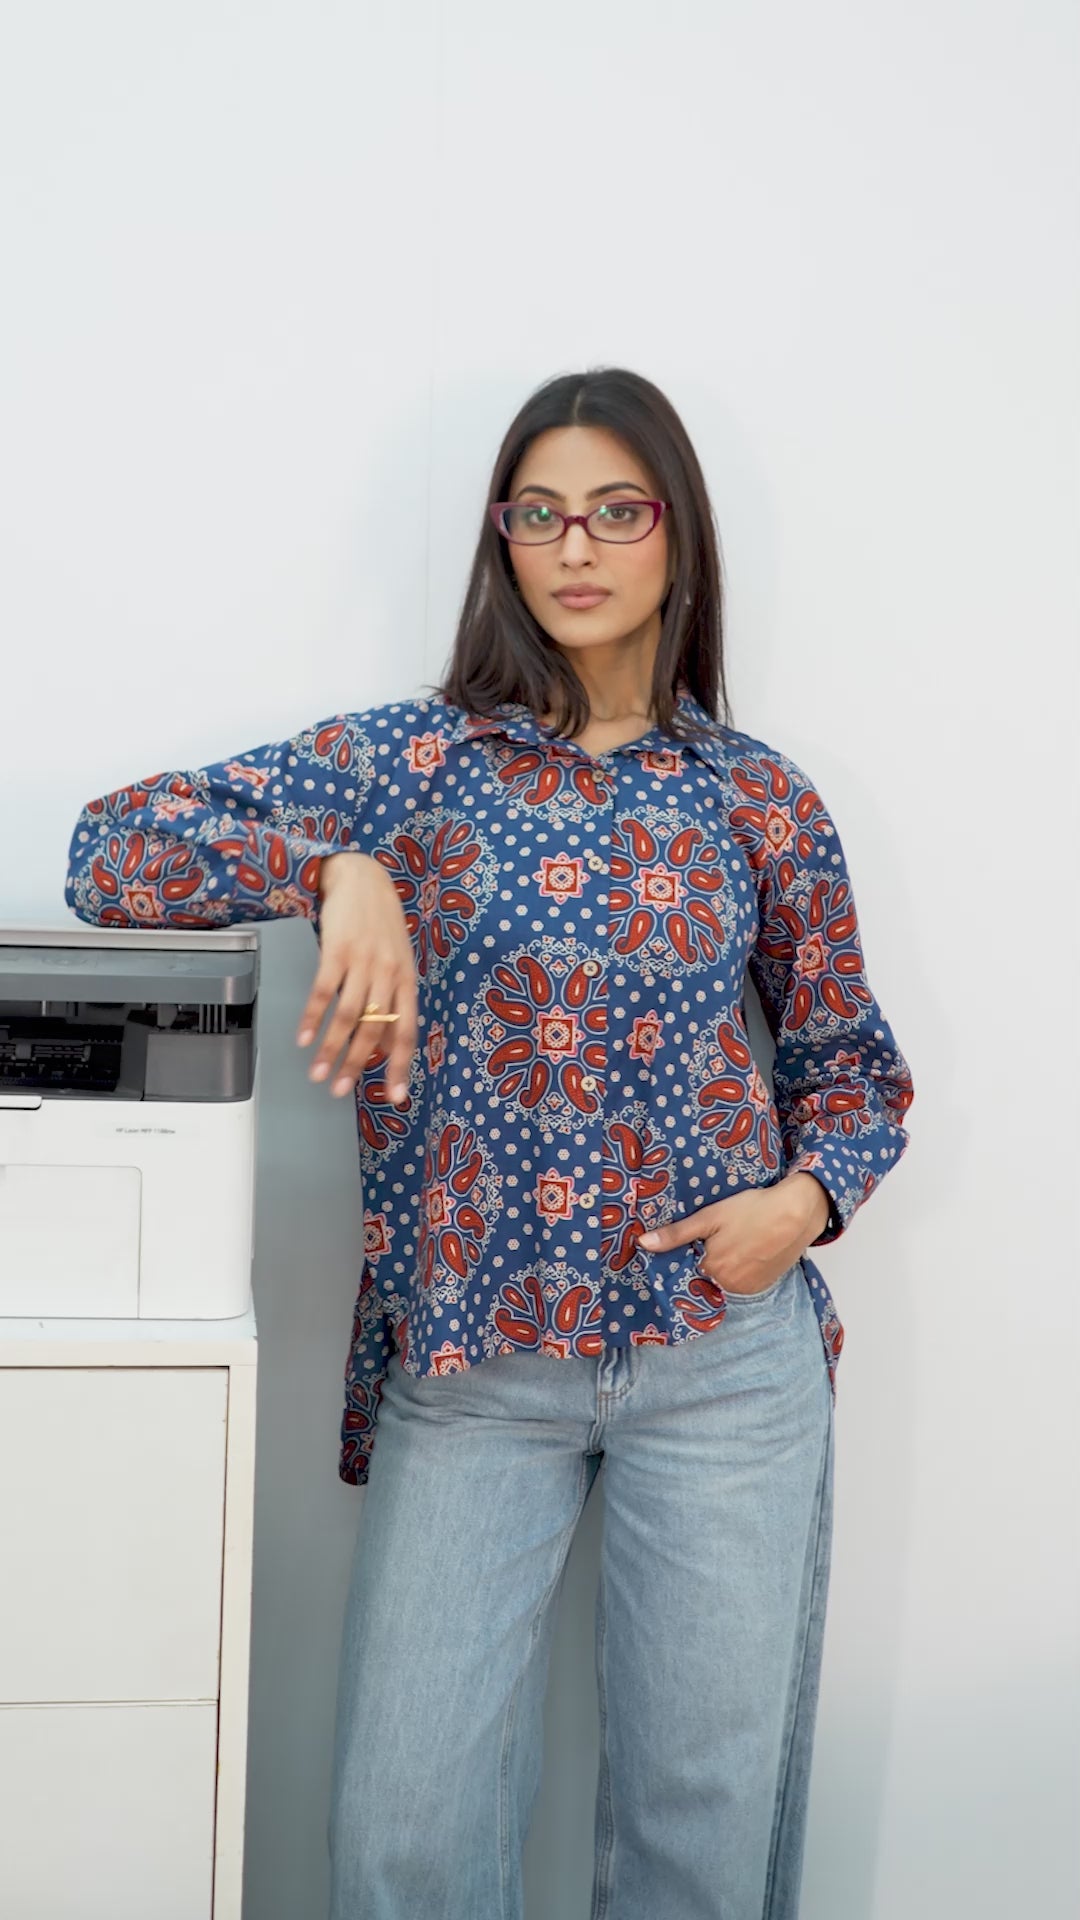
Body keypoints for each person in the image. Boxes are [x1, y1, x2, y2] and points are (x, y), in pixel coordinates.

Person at [65, 365, 914, 1920]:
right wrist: (336, 871)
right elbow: (107, 853)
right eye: (538, 514)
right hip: (473, 1364)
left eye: (613, 510)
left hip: (724, 1355)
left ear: (677, 538)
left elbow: (856, 1073)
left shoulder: (755, 800)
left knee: (697, 1837)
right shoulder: (412, 766)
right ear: (502, 544)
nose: (574, 545)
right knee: (406, 1835)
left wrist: (798, 1208)